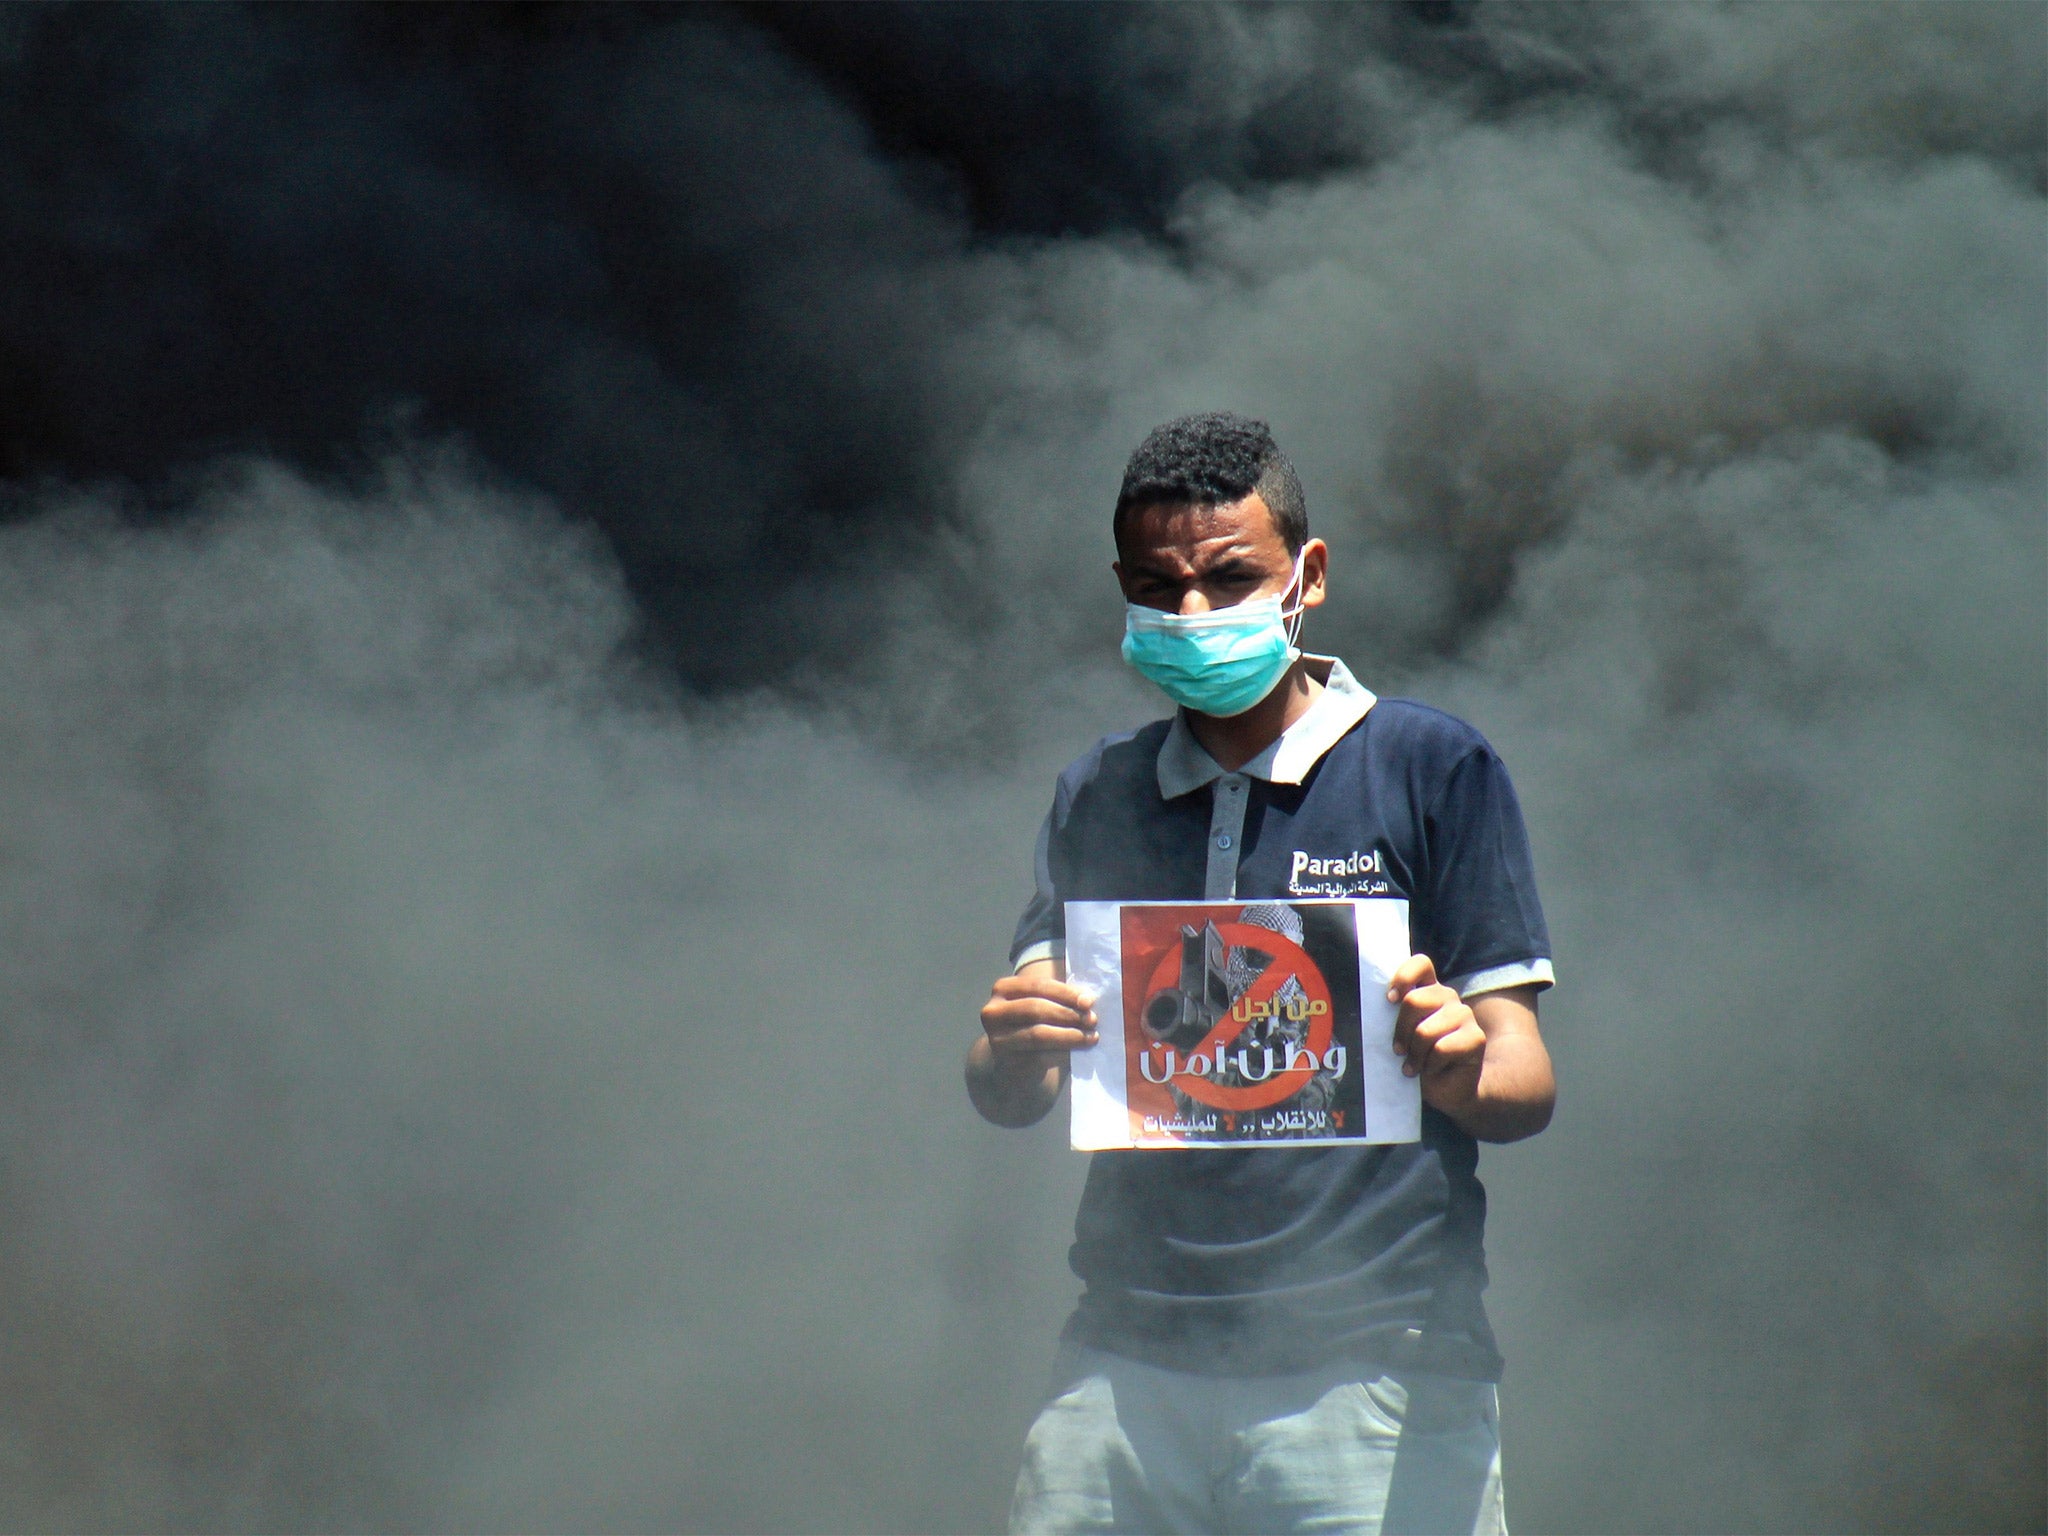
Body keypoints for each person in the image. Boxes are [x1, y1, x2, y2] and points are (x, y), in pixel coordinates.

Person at [967, 413, 1557, 1536]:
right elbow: (1010, 1086)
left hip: (1376, 1366)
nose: (1191, 614)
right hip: (1124, 1359)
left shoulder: (1428, 767)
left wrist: (1458, 1063)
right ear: (1123, 588)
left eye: (1229, 578)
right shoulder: (1100, 789)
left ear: (1308, 576)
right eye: (1157, 586)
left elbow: (1521, 1086)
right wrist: (1006, 1049)